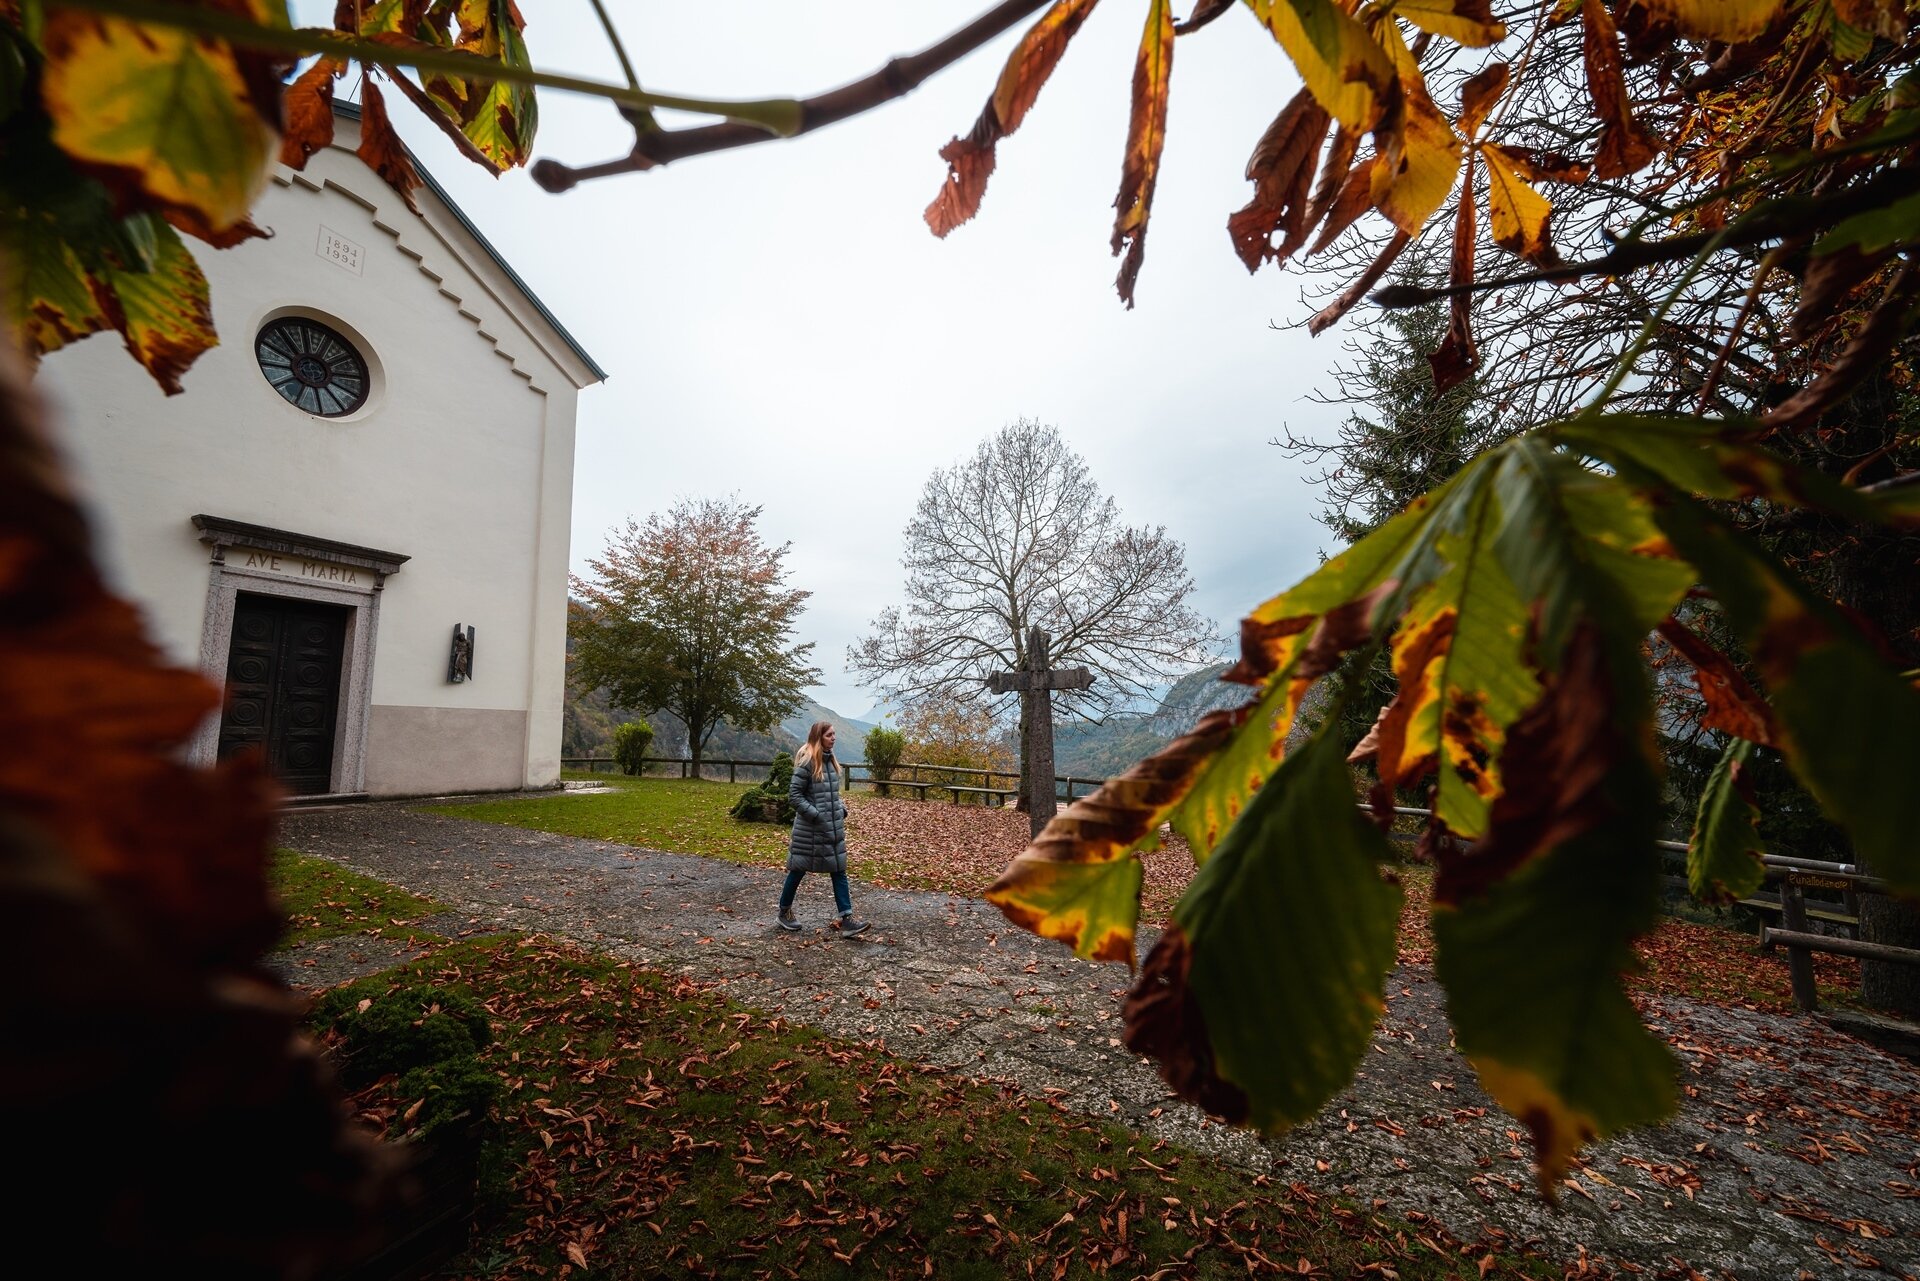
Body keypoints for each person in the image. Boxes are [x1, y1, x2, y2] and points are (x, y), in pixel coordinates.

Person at [776, 721, 869, 936]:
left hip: (832, 829)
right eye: (829, 735)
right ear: (819, 737)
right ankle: (784, 912)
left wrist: (841, 808)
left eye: (834, 734)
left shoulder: (830, 762)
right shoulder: (807, 761)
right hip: (810, 831)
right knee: (798, 870)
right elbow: (795, 796)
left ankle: (847, 919)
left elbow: (830, 794)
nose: (833, 738)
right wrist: (816, 815)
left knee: (838, 869)